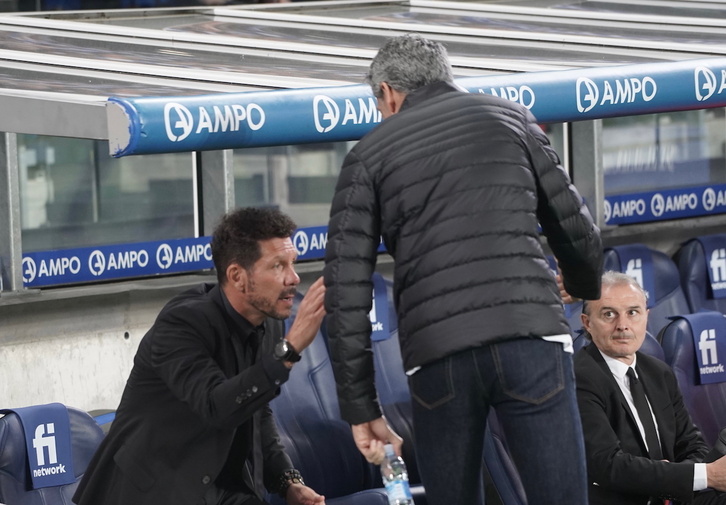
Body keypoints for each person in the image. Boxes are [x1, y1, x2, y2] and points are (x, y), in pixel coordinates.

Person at [323, 33, 603, 505]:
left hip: (437, 356)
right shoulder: (511, 117)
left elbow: (346, 293)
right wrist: (579, 285)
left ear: (388, 93)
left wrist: (361, 407)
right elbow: (578, 232)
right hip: (530, 337)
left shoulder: (367, 156)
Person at [73, 207, 327, 505]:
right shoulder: (182, 324)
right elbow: (217, 406)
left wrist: (287, 482)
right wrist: (290, 348)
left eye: (293, 263)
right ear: (237, 276)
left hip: (221, 490)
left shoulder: (268, 320)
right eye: (277, 266)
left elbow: (256, 411)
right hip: (151, 493)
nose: (293, 278)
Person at [574, 270, 726, 505]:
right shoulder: (580, 378)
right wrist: (705, 476)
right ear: (587, 323)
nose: (623, 325)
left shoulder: (658, 371)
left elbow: (691, 443)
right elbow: (608, 466)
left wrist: (671, 482)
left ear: (646, 316)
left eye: (633, 313)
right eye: (609, 314)